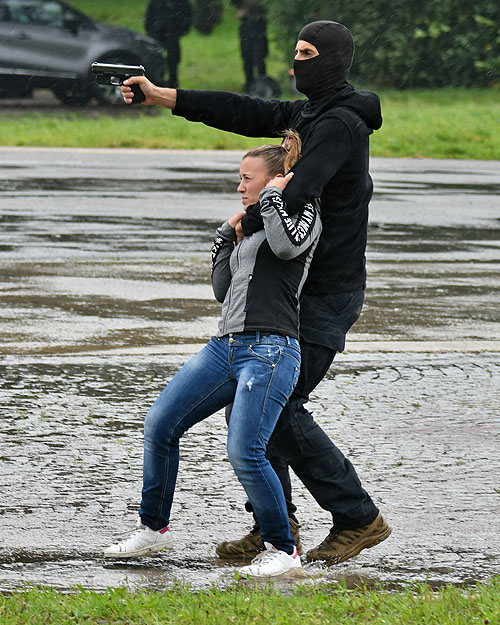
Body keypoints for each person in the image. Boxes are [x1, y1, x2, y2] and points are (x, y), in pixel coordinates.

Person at [119, 20, 392, 566]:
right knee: (256, 404)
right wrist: (161, 95)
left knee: (279, 407)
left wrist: (244, 218)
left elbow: (303, 185)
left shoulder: (340, 124)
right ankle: (275, 526)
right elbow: (241, 111)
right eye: (295, 53)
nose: (295, 65)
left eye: (307, 54)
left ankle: (358, 517)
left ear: (336, 60)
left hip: (322, 294)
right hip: (289, 291)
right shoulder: (306, 113)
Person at [103, 133, 323, 578]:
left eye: (247, 179)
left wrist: (275, 199)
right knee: (161, 424)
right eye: (239, 179)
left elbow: (286, 247)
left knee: (245, 449)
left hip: (272, 349)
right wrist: (227, 236)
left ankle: (283, 550)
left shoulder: (304, 215)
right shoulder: (255, 223)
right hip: (225, 346)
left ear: (277, 180)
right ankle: (153, 529)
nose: (240, 187)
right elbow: (223, 290)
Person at [145, 0, 192, 88]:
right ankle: (157, 84)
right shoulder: (156, 2)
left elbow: (187, 18)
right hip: (157, 35)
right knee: (156, 60)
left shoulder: (182, 2)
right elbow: (149, 17)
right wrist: (153, 32)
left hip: (172, 35)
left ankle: (173, 86)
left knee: (173, 62)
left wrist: (179, 31)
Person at [230, 0, 268, 93]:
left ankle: (262, 85)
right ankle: (249, 85)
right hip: (246, 23)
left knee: (259, 57)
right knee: (247, 57)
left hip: (259, 22)